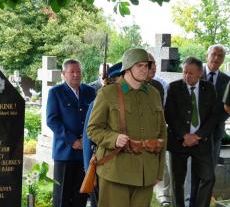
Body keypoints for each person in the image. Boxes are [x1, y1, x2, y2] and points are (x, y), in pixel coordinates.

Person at [87, 48, 166, 206]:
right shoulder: (108, 93)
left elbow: (162, 133)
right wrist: (114, 139)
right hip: (116, 170)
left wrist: (159, 171)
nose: (145, 70)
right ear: (128, 69)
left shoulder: (154, 94)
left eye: (147, 66)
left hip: (146, 171)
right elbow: (93, 129)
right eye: (140, 66)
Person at [165, 57, 216, 207]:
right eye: (184, 72)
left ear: (200, 73)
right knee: (177, 181)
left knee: (208, 177)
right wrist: (185, 135)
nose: (187, 76)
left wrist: (198, 135)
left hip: (202, 141)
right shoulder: (173, 88)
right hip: (179, 141)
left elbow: (214, 116)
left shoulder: (209, 88)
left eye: (191, 73)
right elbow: (170, 114)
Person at [46, 59, 96, 207]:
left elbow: (95, 118)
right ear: (63, 74)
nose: (76, 75)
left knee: (81, 194)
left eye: (78, 72)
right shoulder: (56, 92)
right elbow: (52, 120)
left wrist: (86, 141)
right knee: (63, 196)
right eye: (72, 72)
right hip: (65, 152)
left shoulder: (90, 91)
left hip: (85, 153)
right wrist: (72, 140)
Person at [82, 62, 122, 207]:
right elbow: (89, 138)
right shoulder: (99, 101)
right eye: (122, 80)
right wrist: (89, 170)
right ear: (112, 81)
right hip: (102, 165)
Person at [148, 53, 172, 206]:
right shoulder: (126, 85)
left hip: (157, 130)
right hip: (137, 135)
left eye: (154, 63)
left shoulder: (158, 86)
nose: (154, 67)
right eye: (150, 64)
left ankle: (163, 195)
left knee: (162, 165)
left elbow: (163, 109)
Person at [201, 44, 230, 165]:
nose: (216, 58)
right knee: (193, 169)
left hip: (216, 130)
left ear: (223, 59)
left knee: (210, 167)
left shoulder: (227, 80)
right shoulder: (194, 74)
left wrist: (212, 123)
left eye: (220, 56)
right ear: (207, 55)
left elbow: (227, 107)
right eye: (213, 54)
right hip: (193, 130)